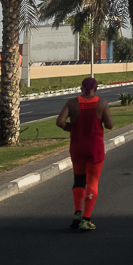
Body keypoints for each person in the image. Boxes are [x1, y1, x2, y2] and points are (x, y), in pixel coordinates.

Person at [56, 77, 113, 232]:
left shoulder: (72, 103)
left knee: (79, 180)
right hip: (94, 148)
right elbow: (109, 125)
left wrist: (72, 128)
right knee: (92, 182)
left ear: (81, 88)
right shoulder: (101, 103)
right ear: (96, 88)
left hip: (77, 147)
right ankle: (86, 219)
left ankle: (77, 211)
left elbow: (60, 122)